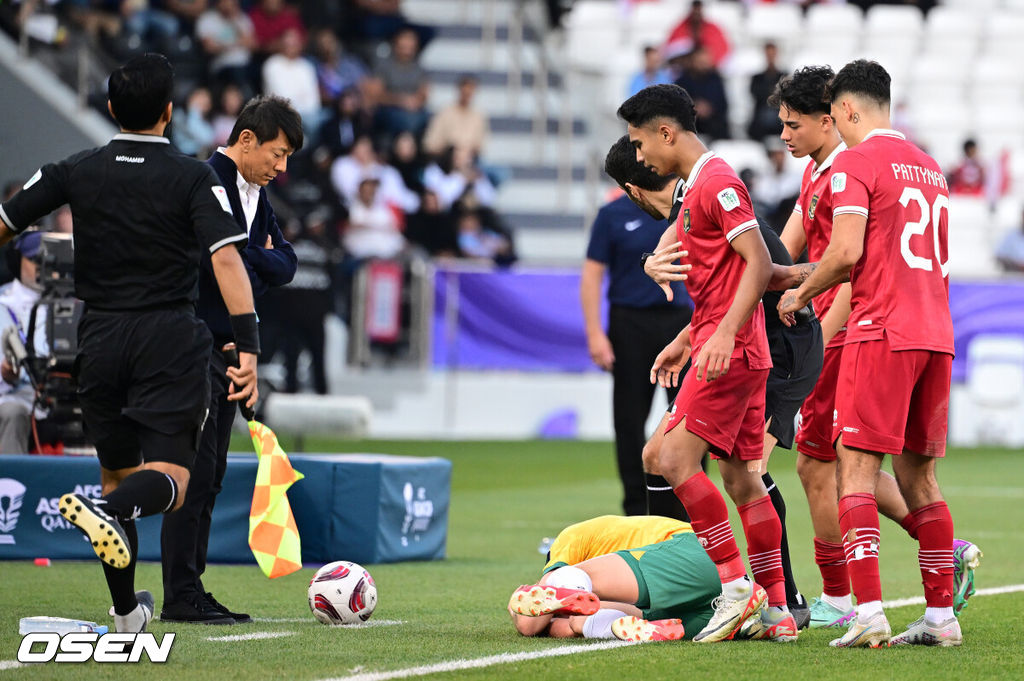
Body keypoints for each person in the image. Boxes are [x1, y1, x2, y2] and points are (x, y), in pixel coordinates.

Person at [0, 53, 259, 634]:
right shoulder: (195, 177)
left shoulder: (75, 168)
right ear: (168, 112)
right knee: (171, 481)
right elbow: (227, 262)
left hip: (98, 337)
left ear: (111, 107)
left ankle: (124, 612)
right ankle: (106, 513)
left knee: (118, 474)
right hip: (167, 338)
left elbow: (5, 220)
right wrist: (249, 348)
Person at [603, 135, 820, 633]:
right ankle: (778, 608)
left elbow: (764, 269)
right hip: (743, 343)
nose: (641, 155)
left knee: (665, 458)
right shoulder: (696, 193)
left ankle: (735, 588)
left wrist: (719, 333)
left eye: (640, 144)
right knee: (744, 476)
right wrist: (687, 331)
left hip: (746, 347)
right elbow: (747, 274)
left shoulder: (714, 184)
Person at [778, 59, 961, 648]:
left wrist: (801, 295)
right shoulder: (930, 167)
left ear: (849, 111)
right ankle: (940, 618)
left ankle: (868, 611)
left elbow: (846, 251)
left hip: (880, 329)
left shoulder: (855, 162)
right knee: (921, 480)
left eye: (833, 115)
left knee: (854, 471)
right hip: (935, 334)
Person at [160, 95, 302, 625]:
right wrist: (248, 257)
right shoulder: (204, 181)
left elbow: (284, 263)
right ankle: (179, 592)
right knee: (194, 473)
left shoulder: (254, 191)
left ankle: (189, 587)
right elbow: (213, 263)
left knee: (212, 473)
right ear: (247, 140)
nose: (281, 168)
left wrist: (248, 256)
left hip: (226, 349)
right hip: (194, 345)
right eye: (278, 153)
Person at [582, 151, 693, 521]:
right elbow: (592, 274)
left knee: (690, 415)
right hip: (629, 323)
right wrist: (596, 333)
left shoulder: (681, 210)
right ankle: (635, 510)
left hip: (680, 321)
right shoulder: (612, 214)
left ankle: (688, 509)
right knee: (629, 419)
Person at [509, 515, 720, 642]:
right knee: (579, 621)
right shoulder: (616, 537)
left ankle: (574, 589)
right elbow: (564, 626)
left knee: (563, 579)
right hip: (711, 596)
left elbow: (530, 625)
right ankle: (613, 627)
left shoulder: (569, 538)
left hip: (692, 551)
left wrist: (515, 603)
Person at [0, 232, 45, 454]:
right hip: (13, 397)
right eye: (36, 260)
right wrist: (5, 375)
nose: (42, 267)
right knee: (13, 411)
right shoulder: (1, 303)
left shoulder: (73, 303)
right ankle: (11, 484)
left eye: (48, 261)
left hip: (61, 398)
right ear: (18, 260)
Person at [422, 75, 489, 158]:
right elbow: (430, 144)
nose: (467, 96)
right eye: (465, 92)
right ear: (459, 90)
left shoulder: (479, 115)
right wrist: (451, 150)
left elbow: (480, 146)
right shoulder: (445, 112)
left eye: (469, 93)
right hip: (446, 160)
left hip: (470, 161)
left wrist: (465, 151)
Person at [748, 42, 785, 142]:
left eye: (772, 54)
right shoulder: (757, 78)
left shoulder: (784, 76)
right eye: (768, 54)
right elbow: (755, 94)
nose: (770, 57)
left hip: (780, 119)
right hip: (761, 120)